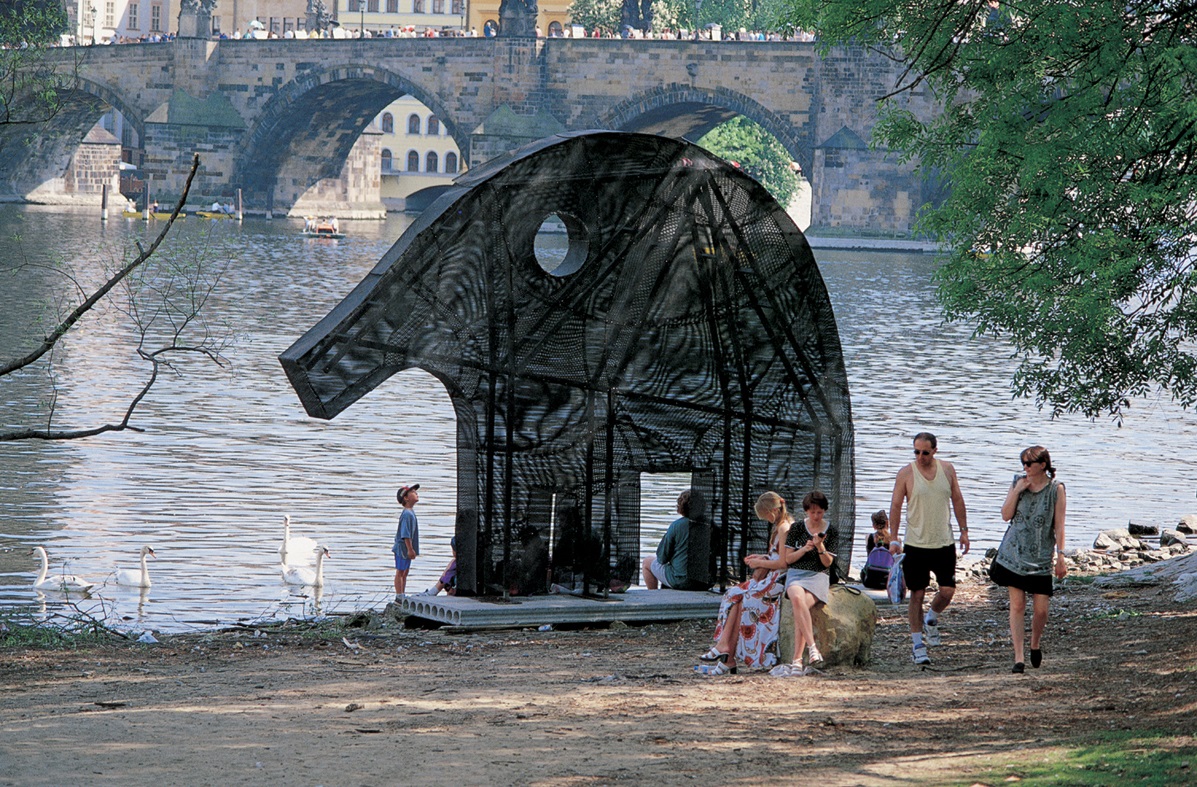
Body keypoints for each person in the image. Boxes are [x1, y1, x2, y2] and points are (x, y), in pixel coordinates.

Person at [889, 432, 969, 666]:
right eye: (916, 452)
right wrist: (894, 538)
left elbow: (957, 499)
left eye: (925, 452)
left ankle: (931, 619)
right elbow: (895, 505)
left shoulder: (947, 470)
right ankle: (917, 645)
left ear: (935, 450)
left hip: (944, 541)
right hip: (916, 543)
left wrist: (964, 530)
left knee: (947, 591)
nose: (920, 456)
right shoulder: (906, 473)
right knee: (917, 594)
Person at [991, 446, 1067, 673]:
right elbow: (1005, 515)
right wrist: (1016, 491)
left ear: (1042, 465)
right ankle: (1019, 657)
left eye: (1029, 463)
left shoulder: (1056, 489)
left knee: (1041, 610)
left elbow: (1059, 525)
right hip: (1014, 554)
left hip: (1041, 557)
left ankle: (1035, 642)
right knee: (1017, 605)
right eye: (1022, 463)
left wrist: (1060, 556)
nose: (1025, 467)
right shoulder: (1018, 482)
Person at [698, 491, 789, 674]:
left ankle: (727, 653)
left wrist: (760, 563)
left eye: (766, 516)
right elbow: (776, 556)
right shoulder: (778, 527)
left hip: (778, 579)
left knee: (746, 599)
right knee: (733, 595)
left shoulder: (784, 528)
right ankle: (725, 651)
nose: (767, 520)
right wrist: (762, 557)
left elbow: (784, 562)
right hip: (771, 575)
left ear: (773, 510)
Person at [770, 490, 836, 677]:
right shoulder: (797, 528)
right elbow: (788, 559)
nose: (816, 516)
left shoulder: (831, 530)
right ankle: (812, 647)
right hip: (797, 573)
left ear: (824, 511)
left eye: (820, 512)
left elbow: (828, 563)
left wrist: (820, 546)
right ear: (807, 511)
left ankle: (797, 660)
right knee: (798, 599)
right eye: (812, 512)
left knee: (801, 609)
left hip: (818, 575)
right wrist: (805, 549)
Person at [642, 489, 707, 590]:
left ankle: (653, 597)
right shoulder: (711, 525)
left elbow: (662, 558)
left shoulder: (676, 526)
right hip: (705, 582)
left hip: (681, 581)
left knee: (647, 562)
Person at [392, 484, 420, 595]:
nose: (416, 494)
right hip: (402, 548)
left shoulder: (410, 512)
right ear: (406, 498)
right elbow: (405, 534)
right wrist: (410, 549)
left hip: (407, 548)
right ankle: (399, 595)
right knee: (400, 571)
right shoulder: (407, 514)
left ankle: (402, 593)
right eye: (413, 492)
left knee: (405, 571)